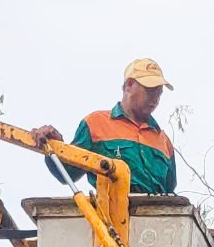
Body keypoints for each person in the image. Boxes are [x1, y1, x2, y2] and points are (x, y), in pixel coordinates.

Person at [32, 57, 178, 197]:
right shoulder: (95, 124)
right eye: (150, 91)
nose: (155, 99)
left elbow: (171, 197)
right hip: (111, 217)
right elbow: (67, 173)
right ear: (129, 85)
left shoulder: (164, 142)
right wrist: (54, 146)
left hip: (156, 218)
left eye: (159, 93)